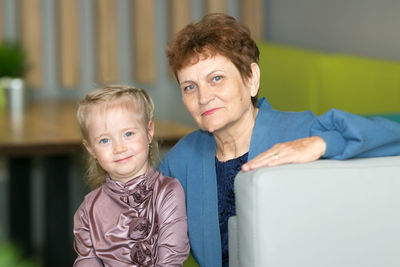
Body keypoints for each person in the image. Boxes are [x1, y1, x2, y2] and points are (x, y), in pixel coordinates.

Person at [158, 13, 400, 267]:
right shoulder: (180, 161)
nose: (203, 97)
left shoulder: (302, 133)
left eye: (216, 78)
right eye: (189, 87)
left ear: (252, 78)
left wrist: (322, 144)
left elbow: (393, 137)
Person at [73, 85, 190, 266]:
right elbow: (86, 261)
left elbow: (171, 258)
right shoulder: (87, 211)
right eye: (105, 140)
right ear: (91, 149)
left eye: (128, 134)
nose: (119, 148)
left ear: (149, 132)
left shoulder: (168, 192)